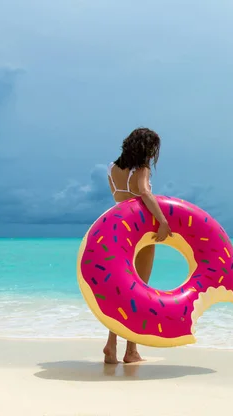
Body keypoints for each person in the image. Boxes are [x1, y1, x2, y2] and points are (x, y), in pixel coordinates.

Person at [103, 127, 172, 364]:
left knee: (120, 289)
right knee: (138, 289)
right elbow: (143, 193)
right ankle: (130, 351)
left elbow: (120, 197)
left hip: (116, 229)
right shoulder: (141, 169)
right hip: (140, 231)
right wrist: (163, 221)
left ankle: (111, 343)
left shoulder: (112, 169)